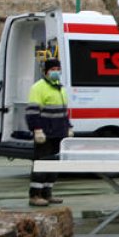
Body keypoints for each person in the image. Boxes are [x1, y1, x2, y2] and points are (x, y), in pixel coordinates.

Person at [27, 58, 72, 207]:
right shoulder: (38, 88)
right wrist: (37, 130)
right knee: (41, 163)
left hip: (59, 134)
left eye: (57, 70)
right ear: (46, 72)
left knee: (54, 165)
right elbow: (32, 112)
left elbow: (64, 112)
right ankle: (35, 195)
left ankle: (47, 193)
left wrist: (69, 127)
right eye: (52, 70)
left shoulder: (60, 88)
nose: (56, 72)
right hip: (45, 134)